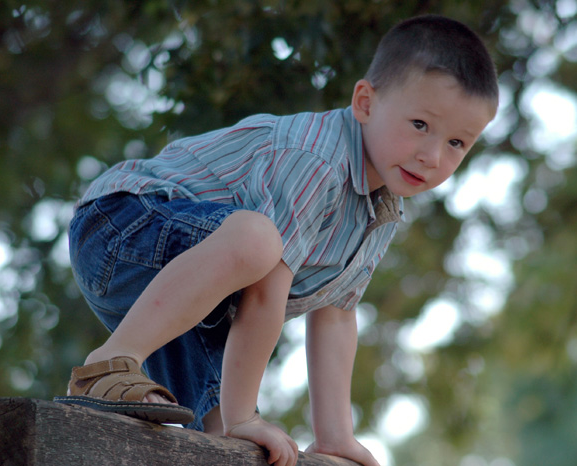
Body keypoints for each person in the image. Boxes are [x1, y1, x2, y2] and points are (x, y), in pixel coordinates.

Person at [55, 14, 499, 466]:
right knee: (259, 242)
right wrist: (244, 413)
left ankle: (145, 396)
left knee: (226, 444)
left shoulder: (379, 208)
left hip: (184, 306)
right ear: (365, 102)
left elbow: (336, 315)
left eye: (458, 144)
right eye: (421, 124)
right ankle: (110, 362)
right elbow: (267, 289)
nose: (432, 156)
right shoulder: (317, 160)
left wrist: (335, 436)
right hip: (121, 226)